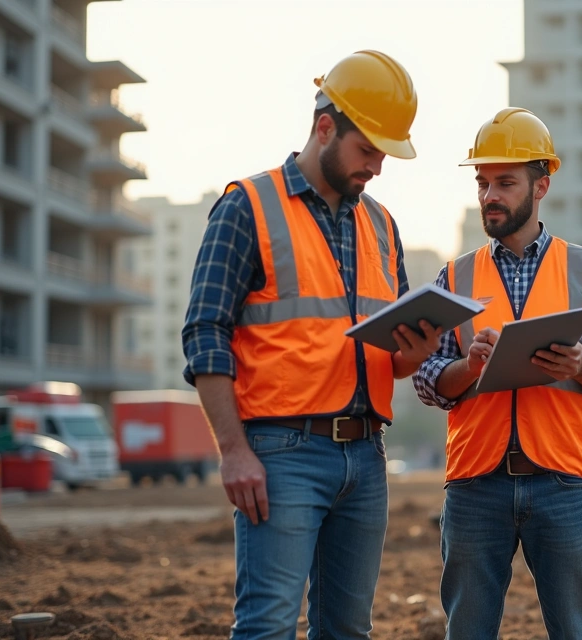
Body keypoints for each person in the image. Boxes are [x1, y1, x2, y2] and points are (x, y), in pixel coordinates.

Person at [181, 50, 443, 639]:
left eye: (383, 154)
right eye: (367, 150)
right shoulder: (246, 207)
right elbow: (205, 333)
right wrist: (233, 450)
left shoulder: (381, 225)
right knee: (269, 627)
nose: (376, 166)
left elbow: (392, 358)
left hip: (366, 456)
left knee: (349, 631)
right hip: (280, 453)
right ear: (326, 126)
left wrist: (418, 350)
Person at [413, 108, 582, 639]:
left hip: (561, 481)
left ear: (541, 185)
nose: (490, 195)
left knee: (577, 632)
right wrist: (466, 370)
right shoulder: (456, 275)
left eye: (505, 183)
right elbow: (427, 378)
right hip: (475, 486)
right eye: (483, 182)